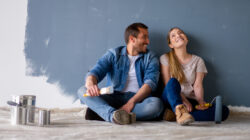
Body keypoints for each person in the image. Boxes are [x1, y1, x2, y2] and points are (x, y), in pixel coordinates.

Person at [78, 23, 164, 125]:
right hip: (113, 97)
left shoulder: (151, 57)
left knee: (156, 105)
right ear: (132, 39)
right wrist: (90, 83)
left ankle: (103, 113)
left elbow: (150, 83)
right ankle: (112, 115)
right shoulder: (113, 54)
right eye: (144, 37)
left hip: (138, 100)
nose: (148, 41)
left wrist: (131, 102)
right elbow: (96, 71)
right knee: (82, 90)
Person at [159, 27, 229, 125]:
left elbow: (198, 85)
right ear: (170, 44)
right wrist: (183, 101)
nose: (178, 35)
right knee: (173, 81)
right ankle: (179, 111)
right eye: (173, 35)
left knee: (223, 110)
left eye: (180, 33)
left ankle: (176, 116)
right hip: (172, 100)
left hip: (191, 102)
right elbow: (167, 84)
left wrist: (200, 102)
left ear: (186, 39)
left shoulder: (198, 61)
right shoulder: (165, 58)